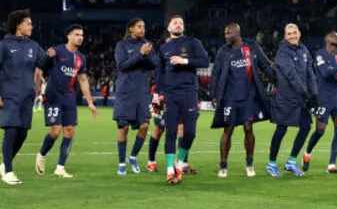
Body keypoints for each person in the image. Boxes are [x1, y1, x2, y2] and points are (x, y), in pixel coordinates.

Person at [0, 9, 46, 186]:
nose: (31, 26)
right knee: (11, 131)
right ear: (18, 25)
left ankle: (5, 165)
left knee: (23, 133)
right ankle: (9, 171)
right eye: (28, 23)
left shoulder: (34, 46)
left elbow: (45, 64)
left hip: (27, 96)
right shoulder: (3, 46)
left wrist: (51, 56)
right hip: (8, 96)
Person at [35, 24, 99, 178]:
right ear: (68, 36)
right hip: (54, 96)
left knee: (70, 130)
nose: (80, 38)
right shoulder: (57, 51)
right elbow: (39, 69)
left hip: (70, 98)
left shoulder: (81, 58)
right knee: (55, 131)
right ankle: (42, 155)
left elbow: (83, 80)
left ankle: (60, 168)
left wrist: (90, 102)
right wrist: (37, 88)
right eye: (77, 34)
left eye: (82, 35)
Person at [211, 22, 273, 178]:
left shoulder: (251, 47)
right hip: (230, 98)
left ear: (236, 33)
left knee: (248, 128)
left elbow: (266, 65)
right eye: (225, 33)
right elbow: (216, 74)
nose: (226, 36)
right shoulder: (223, 51)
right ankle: (223, 166)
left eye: (228, 33)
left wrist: (279, 75)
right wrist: (214, 95)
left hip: (249, 97)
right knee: (228, 131)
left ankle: (250, 164)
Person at [157, 14, 210, 184]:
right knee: (171, 132)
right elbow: (160, 74)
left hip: (189, 92)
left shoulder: (193, 42)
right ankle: (170, 170)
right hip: (170, 94)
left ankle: (180, 162)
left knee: (190, 132)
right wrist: (157, 94)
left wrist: (184, 60)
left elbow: (204, 61)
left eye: (181, 22)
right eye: (174, 23)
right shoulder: (163, 48)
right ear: (169, 28)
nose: (178, 25)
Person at [267, 23, 318, 178]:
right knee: (281, 129)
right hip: (286, 98)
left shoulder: (303, 50)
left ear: (299, 33)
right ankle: (271, 164)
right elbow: (291, 76)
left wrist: (314, 95)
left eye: (294, 32)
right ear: (285, 36)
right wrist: (306, 94)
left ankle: (291, 161)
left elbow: (310, 73)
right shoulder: (283, 52)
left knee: (305, 127)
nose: (292, 35)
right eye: (289, 33)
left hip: (301, 98)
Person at [304, 31, 337, 174]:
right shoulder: (320, 54)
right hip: (323, 97)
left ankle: (332, 164)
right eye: (333, 39)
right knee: (320, 131)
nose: (335, 41)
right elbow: (326, 73)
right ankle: (307, 153)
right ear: (327, 40)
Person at [114, 18, 160, 175]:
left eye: (144, 26)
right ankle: (121, 163)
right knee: (124, 127)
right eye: (139, 26)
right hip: (125, 91)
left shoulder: (147, 45)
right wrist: (140, 55)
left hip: (142, 92)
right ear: (131, 29)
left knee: (145, 126)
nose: (142, 29)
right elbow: (122, 66)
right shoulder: (122, 45)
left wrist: (145, 55)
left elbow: (155, 64)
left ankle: (132, 157)